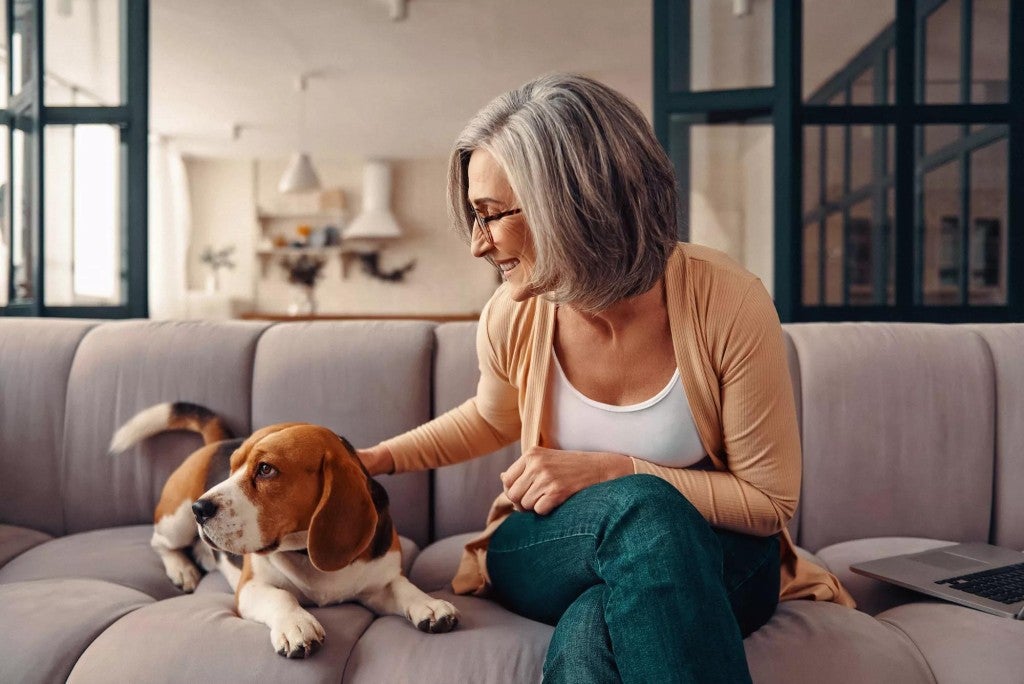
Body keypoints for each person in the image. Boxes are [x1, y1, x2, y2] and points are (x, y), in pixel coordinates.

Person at [358, 73, 854, 683]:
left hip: (720, 551)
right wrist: (376, 458)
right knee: (644, 517)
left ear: (568, 202)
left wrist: (618, 470)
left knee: (599, 620)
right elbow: (492, 416)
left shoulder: (725, 301)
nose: (478, 245)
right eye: (474, 217)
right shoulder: (513, 313)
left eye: (490, 216)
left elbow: (768, 502)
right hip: (550, 544)